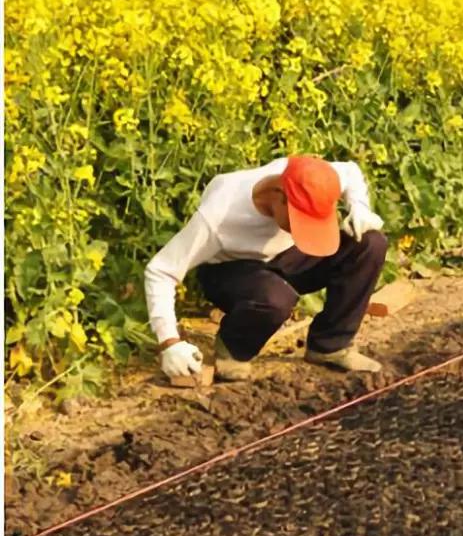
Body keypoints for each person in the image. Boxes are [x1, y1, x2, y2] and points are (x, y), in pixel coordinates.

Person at [145, 155, 388, 382]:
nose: (305, 230)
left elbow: (350, 171)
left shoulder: (308, 176)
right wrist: (170, 343)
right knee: (275, 297)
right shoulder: (218, 216)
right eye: (300, 221)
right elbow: (160, 270)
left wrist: (359, 206)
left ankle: (331, 345)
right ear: (279, 195)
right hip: (232, 271)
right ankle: (233, 348)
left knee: (369, 243)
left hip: (288, 255)